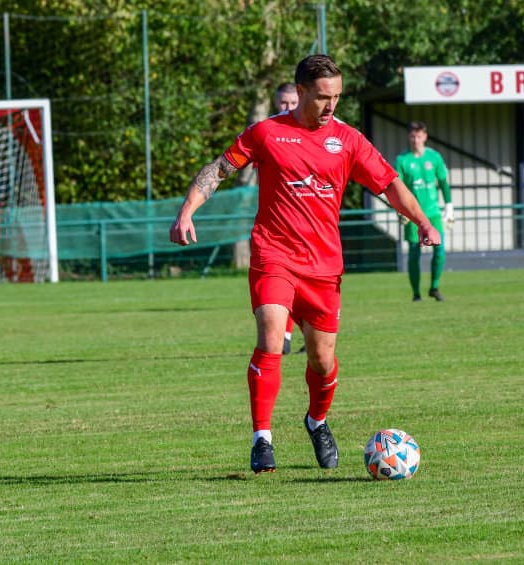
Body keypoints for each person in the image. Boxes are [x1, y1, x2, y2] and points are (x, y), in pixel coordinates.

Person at [170, 54, 440, 473]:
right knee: (271, 337)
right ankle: (262, 439)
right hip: (274, 255)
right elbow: (220, 169)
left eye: (337, 97)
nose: (331, 105)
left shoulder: (348, 140)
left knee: (322, 360)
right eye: (322, 97)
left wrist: (422, 220)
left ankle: (317, 421)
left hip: (323, 267)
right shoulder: (267, 133)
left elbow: (389, 184)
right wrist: (187, 211)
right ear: (300, 92)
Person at [395, 121, 453, 301]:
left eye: (419, 136)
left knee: (440, 249)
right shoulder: (402, 160)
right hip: (412, 214)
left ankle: (434, 287)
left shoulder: (434, 157)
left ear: (425, 137)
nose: (416, 140)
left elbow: (443, 183)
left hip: (433, 213)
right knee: (414, 252)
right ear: (408, 137)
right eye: (412, 136)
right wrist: (400, 210)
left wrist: (449, 207)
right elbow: (397, 187)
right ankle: (416, 293)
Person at [273, 82, 304, 355]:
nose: (288, 107)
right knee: (282, 286)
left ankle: (313, 336)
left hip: (313, 228)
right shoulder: (267, 132)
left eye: (293, 103)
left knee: (308, 289)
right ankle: (283, 335)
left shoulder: (318, 129)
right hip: (279, 228)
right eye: (283, 102)